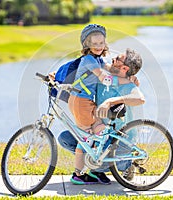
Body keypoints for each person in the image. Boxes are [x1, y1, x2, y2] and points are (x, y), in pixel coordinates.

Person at [59, 48, 145, 184]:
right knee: (65, 138)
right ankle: (96, 166)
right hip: (99, 133)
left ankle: (126, 165)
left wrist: (111, 101)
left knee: (97, 160)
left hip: (119, 140)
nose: (113, 59)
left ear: (124, 67)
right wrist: (55, 75)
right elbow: (85, 66)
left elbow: (140, 99)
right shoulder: (104, 77)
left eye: (117, 59)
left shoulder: (128, 84)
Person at [67, 24, 115, 185]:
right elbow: (102, 75)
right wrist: (114, 82)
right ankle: (91, 169)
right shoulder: (88, 60)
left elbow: (108, 68)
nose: (98, 46)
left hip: (80, 100)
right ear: (87, 45)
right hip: (82, 102)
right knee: (97, 132)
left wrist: (126, 74)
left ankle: (80, 173)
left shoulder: (97, 59)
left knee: (87, 137)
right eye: (94, 44)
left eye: (101, 43)